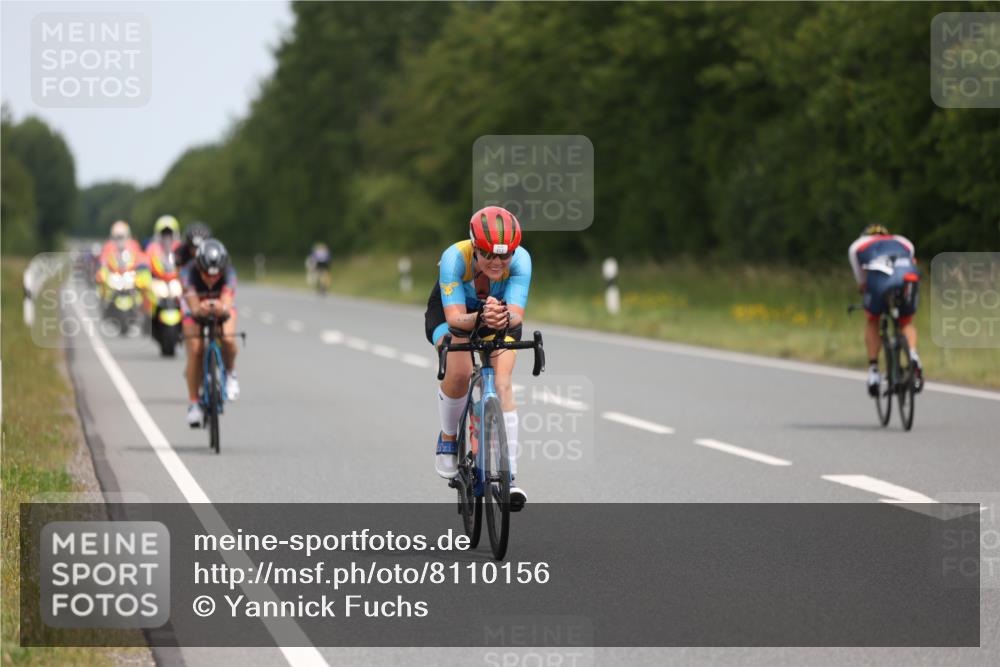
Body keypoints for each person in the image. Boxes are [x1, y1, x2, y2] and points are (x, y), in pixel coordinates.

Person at [424, 205, 531, 510]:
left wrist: (500, 318)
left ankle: (509, 477)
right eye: (489, 255)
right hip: (455, 313)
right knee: (458, 373)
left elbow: (516, 314)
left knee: (503, 381)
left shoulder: (522, 260)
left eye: (505, 255)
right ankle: (447, 436)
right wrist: (481, 317)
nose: (497, 262)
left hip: (498, 314)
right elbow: (456, 319)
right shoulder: (455, 258)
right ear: (475, 247)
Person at [848, 223, 923, 395]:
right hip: (907, 277)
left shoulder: (857, 246)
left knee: (873, 319)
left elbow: (862, 282)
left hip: (881, 281)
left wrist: (864, 289)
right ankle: (913, 355)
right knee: (906, 322)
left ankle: (874, 370)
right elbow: (911, 260)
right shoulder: (903, 241)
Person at [182, 239, 240, 426]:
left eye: (216, 276)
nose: (211, 279)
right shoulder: (188, 273)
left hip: (220, 306)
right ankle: (193, 404)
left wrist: (218, 307)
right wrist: (201, 309)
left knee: (228, 339)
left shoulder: (229, 273)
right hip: (195, 309)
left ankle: (231, 373)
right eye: (206, 274)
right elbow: (193, 307)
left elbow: (226, 303)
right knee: (195, 348)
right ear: (199, 268)